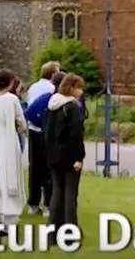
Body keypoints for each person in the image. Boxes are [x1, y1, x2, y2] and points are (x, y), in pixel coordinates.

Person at [0, 69, 28, 233]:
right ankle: (9, 219)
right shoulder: (12, 99)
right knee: (9, 176)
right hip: (8, 143)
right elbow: (22, 122)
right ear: (10, 83)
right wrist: (18, 126)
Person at [45, 73, 86, 235]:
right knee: (70, 195)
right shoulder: (72, 108)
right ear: (72, 88)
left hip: (54, 156)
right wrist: (78, 157)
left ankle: (53, 231)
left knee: (57, 192)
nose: (81, 92)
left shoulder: (52, 106)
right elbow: (76, 135)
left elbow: (47, 133)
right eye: (79, 88)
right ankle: (69, 233)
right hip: (69, 157)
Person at [23, 71, 66, 216]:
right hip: (45, 136)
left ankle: (36, 203)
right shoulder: (52, 99)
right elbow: (29, 112)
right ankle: (45, 203)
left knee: (37, 169)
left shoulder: (46, 97)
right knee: (47, 169)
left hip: (37, 133)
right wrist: (43, 123)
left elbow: (29, 112)